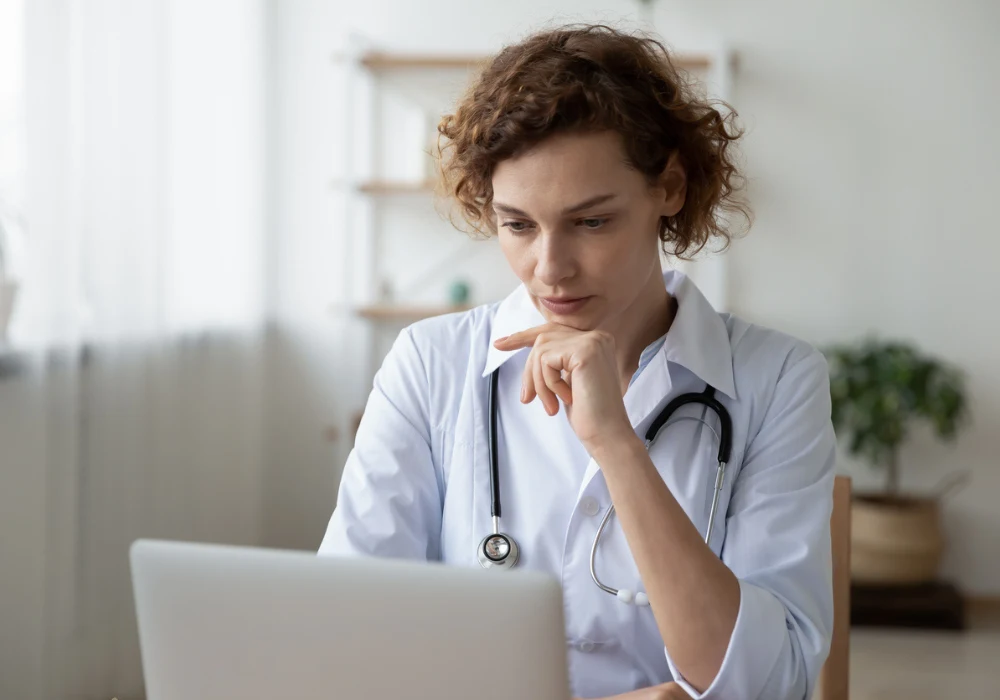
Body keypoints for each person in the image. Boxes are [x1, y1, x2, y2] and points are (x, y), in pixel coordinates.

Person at [319, 23, 835, 700]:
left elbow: (768, 684)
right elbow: (343, 641)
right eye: (518, 225)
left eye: (591, 222)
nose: (550, 269)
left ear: (670, 188)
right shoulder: (429, 366)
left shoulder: (778, 380)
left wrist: (616, 445)